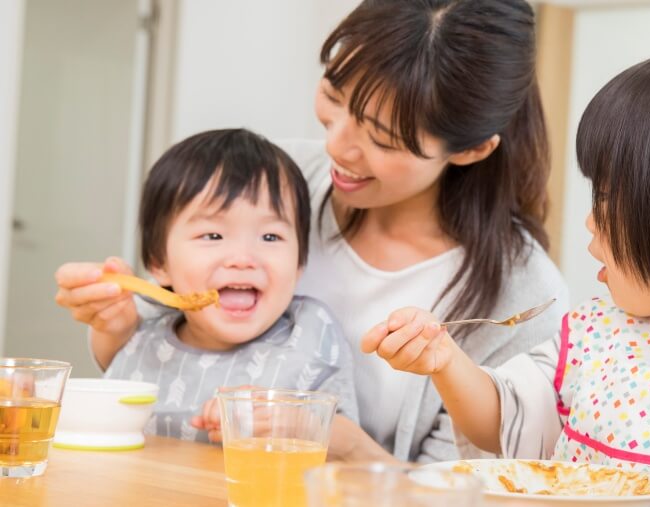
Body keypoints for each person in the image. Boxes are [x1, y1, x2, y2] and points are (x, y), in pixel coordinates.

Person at [54, 0, 567, 461]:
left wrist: (337, 440)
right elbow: (155, 343)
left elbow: (454, 494)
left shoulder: (521, 299)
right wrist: (115, 321)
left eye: (382, 140)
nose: (337, 148)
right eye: (333, 96)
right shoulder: (273, 181)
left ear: (470, 150)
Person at [363, 48, 650, 506]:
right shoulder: (591, 333)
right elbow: (502, 423)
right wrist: (446, 361)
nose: (591, 220)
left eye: (609, 197)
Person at [55, 129, 358, 443]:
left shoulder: (309, 334)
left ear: (299, 264)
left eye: (270, 237)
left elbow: (347, 457)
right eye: (212, 236)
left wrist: (293, 422)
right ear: (159, 263)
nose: (243, 259)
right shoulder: (141, 333)